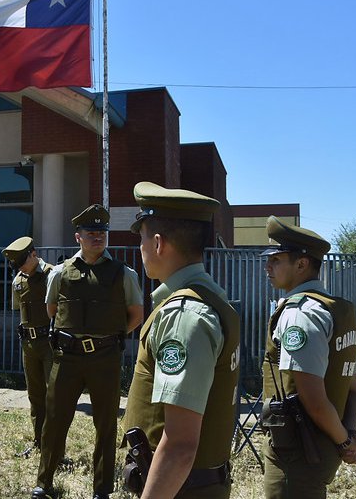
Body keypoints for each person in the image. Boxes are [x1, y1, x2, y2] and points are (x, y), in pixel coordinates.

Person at [121, 182, 241, 499]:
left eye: (143, 238)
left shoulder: (184, 316)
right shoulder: (213, 299)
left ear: (158, 243)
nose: (142, 248)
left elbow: (179, 445)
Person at [260, 216, 356, 499]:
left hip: (296, 454)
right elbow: (354, 391)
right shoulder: (336, 310)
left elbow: (313, 400)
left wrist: (346, 442)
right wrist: (345, 437)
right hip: (320, 448)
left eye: (276, 260)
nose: (267, 267)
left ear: (301, 264)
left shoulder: (301, 315)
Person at [33, 204, 144, 499]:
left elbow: (135, 313)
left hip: (105, 358)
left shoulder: (124, 273)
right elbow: (52, 310)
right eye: (91, 233)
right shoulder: (60, 272)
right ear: (78, 236)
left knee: (106, 425)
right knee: (55, 420)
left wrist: (109, 337)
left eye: (102, 233)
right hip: (67, 357)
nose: (98, 237)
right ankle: (44, 481)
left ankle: (102, 490)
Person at [3, 236, 54, 457]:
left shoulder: (53, 275)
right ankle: (39, 442)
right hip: (29, 344)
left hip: (50, 343)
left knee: (54, 396)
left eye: (23, 261)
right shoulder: (19, 280)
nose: (21, 268)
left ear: (34, 254)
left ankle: (54, 446)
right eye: (18, 265)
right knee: (35, 395)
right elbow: (19, 310)